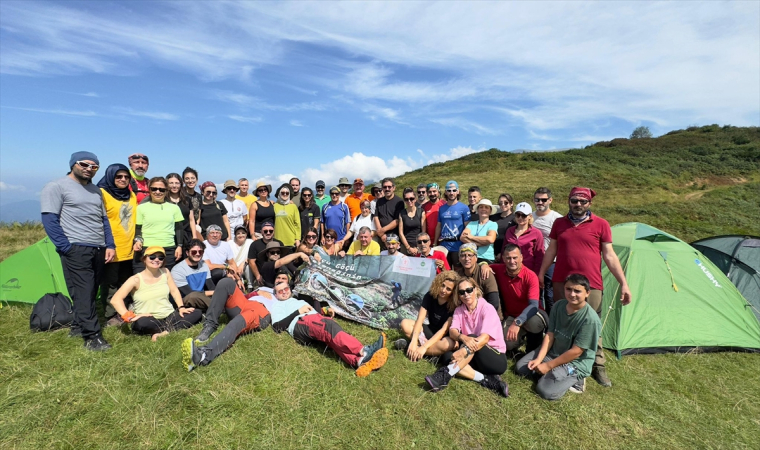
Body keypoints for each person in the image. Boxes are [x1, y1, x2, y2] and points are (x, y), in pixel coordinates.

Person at [538, 187, 632, 388]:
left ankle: (597, 365)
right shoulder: (559, 223)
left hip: (591, 285)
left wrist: (623, 283)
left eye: (583, 201)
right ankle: (556, 360)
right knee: (561, 323)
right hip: (562, 282)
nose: (578, 204)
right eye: (574, 200)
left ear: (589, 203)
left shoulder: (601, 224)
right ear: (568, 201)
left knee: (592, 327)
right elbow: (551, 250)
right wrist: (541, 273)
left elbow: (609, 255)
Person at [41, 151, 115, 350]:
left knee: (90, 290)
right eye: (84, 164)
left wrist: (110, 245)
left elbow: (103, 220)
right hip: (76, 246)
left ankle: (77, 325)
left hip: (98, 247)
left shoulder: (95, 190)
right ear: (73, 164)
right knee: (83, 291)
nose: (89, 169)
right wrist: (66, 247)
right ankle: (93, 337)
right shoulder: (56, 186)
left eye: (94, 167)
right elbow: (49, 219)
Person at [262, 281, 388, 377]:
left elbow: (313, 312)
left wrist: (324, 310)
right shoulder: (278, 305)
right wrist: (297, 312)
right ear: (276, 294)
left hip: (312, 319)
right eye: (280, 291)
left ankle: (359, 362)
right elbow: (277, 327)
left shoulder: (296, 299)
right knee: (328, 327)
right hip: (300, 323)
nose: (284, 292)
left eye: (286, 288)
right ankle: (364, 350)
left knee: (330, 337)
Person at [515, 274, 601, 399]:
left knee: (545, 391)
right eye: (568, 289)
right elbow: (550, 335)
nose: (572, 294)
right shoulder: (559, 305)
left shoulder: (591, 319)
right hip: (554, 352)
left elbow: (577, 352)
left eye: (577, 291)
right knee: (521, 368)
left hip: (575, 362)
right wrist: (539, 360)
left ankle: (578, 378)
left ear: (587, 293)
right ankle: (552, 374)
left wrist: (548, 366)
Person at [424, 277, 509, 397]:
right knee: (448, 357)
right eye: (461, 292)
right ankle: (486, 380)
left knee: (473, 337)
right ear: (458, 295)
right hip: (473, 355)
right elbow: (453, 331)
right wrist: (462, 337)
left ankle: (445, 375)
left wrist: (464, 350)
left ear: (476, 290)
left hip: (494, 357)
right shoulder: (459, 310)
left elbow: (484, 339)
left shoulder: (487, 308)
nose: (466, 294)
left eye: (469, 290)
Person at [111, 246, 202, 341]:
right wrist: (130, 317)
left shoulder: (165, 272)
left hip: (169, 315)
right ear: (144, 259)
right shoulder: (136, 279)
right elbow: (116, 300)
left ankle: (165, 332)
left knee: (197, 313)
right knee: (142, 323)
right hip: (148, 318)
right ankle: (174, 327)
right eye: (152, 257)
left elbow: (174, 291)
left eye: (160, 257)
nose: (157, 260)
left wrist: (181, 308)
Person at [182, 276, 272, 371]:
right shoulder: (263, 289)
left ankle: (203, 355)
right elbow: (245, 296)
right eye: (279, 278)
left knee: (237, 323)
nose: (282, 286)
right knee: (226, 282)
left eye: (284, 283)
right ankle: (210, 324)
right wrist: (256, 292)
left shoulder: (284, 301)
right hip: (246, 303)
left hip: (260, 310)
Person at [97, 163, 137, 327]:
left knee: (125, 281)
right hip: (111, 247)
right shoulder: (102, 193)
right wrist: (107, 245)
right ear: (110, 177)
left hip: (129, 247)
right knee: (110, 282)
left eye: (126, 177)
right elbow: (99, 220)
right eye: (118, 176)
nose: (123, 179)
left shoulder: (131, 194)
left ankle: (124, 310)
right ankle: (110, 315)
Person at [492, 244, 548, 354]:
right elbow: (482, 266)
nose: (512, 261)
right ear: (503, 258)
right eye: (508, 258)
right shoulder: (498, 269)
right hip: (511, 315)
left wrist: (517, 322)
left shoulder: (531, 276)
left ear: (521, 257)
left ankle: (534, 346)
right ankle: (519, 341)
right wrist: (484, 264)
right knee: (506, 344)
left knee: (534, 323)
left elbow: (533, 306)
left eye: (515, 257)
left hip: (532, 314)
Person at [395, 270, 458, 360]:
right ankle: (430, 352)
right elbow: (420, 319)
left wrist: (424, 347)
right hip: (429, 330)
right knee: (405, 323)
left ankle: (416, 349)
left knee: (449, 344)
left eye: (448, 289)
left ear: (453, 292)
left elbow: (443, 330)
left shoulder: (453, 305)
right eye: (442, 285)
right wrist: (413, 340)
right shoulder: (430, 295)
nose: (443, 290)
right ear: (438, 283)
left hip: (442, 336)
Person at [133, 176, 184, 273]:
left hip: (168, 249)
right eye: (154, 189)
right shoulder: (141, 208)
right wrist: (138, 241)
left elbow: (179, 229)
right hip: (146, 248)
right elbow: (138, 228)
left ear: (166, 191)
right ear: (149, 190)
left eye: (161, 189)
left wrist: (179, 246)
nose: (158, 192)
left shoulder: (174, 208)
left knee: (164, 281)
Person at [532, 187, 564, 313]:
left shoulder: (557, 218)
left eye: (543, 200)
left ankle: (551, 324)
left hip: (551, 262)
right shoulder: (530, 216)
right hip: (534, 261)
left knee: (550, 294)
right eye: (537, 199)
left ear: (550, 200)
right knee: (535, 293)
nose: (540, 202)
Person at [171, 239, 216, 311]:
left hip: (202, 297)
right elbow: (188, 293)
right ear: (187, 253)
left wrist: (217, 292)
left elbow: (211, 286)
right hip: (185, 300)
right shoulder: (178, 270)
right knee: (193, 296)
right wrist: (213, 293)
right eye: (194, 252)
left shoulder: (204, 265)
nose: (197, 254)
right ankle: (219, 309)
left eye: (200, 252)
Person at [434, 180, 470, 269]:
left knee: (458, 272)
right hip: (444, 245)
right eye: (449, 190)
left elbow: (468, 227)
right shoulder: (442, 208)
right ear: (445, 192)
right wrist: (435, 243)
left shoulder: (464, 208)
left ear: (458, 191)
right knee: (444, 271)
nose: (451, 193)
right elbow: (439, 226)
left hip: (457, 245)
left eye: (454, 190)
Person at [455, 243, 500, 313]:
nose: (466, 259)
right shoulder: (457, 275)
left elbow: (494, 302)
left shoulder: (485, 273)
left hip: (488, 314)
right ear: (459, 259)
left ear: (476, 258)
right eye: (463, 256)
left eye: (470, 255)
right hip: (466, 314)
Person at [503, 202, 544, 274]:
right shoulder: (509, 231)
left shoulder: (536, 233)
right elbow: (504, 250)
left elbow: (539, 256)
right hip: (510, 270)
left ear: (530, 216)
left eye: (524, 215)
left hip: (528, 270)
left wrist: (537, 274)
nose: (520, 218)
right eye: (518, 215)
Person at [460, 198, 498, 263]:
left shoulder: (493, 224)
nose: (483, 209)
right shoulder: (471, 223)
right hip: (471, 257)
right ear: (478, 209)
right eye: (481, 207)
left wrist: (472, 237)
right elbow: (462, 237)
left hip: (486, 258)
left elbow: (490, 239)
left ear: (490, 211)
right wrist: (480, 243)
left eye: (486, 207)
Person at [247, 221, 282, 287]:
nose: (268, 233)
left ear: (274, 232)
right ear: (261, 232)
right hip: (261, 276)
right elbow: (251, 262)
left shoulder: (279, 243)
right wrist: (257, 276)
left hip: (277, 275)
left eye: (270, 231)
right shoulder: (255, 244)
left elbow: (283, 260)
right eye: (265, 231)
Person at [166, 173, 197, 244]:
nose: (174, 186)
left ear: (181, 184)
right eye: (171, 183)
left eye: (177, 183)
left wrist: (194, 236)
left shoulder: (186, 200)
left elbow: (191, 220)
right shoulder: (164, 200)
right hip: (169, 236)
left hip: (186, 235)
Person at [374, 177, 405, 247]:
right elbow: (376, 217)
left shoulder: (399, 202)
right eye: (385, 187)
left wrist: (382, 231)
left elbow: (397, 221)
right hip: (381, 237)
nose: (387, 189)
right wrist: (381, 234)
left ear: (394, 188)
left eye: (389, 187)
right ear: (382, 188)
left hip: (393, 237)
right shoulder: (379, 201)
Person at [273, 183, 301, 248]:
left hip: (291, 240)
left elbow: (297, 224)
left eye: (287, 193)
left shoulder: (293, 206)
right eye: (282, 193)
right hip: (277, 240)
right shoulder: (274, 206)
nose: (285, 194)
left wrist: (297, 239)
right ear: (279, 194)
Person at [398, 187, 425, 255]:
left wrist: (417, 248)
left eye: (411, 198)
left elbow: (423, 232)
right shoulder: (402, 213)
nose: (409, 201)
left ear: (415, 199)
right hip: (405, 246)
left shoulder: (421, 212)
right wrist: (408, 247)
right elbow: (401, 233)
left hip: (419, 245)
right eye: (406, 199)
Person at [490, 193, 515, 259]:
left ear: (511, 203)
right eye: (500, 203)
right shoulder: (493, 217)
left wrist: (502, 253)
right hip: (491, 252)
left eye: (506, 202)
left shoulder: (515, 218)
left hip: (507, 253)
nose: (503, 205)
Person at [182, 167, 202, 237]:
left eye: (193, 178)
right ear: (183, 181)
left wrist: (196, 226)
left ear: (196, 180)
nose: (190, 181)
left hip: (195, 228)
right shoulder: (181, 195)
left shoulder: (198, 196)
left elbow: (198, 213)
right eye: (187, 178)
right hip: (183, 229)